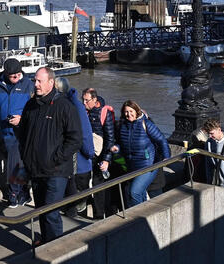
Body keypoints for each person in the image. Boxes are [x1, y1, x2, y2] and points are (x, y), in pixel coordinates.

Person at [16, 68, 81, 243]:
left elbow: (75, 139)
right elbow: (22, 134)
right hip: (35, 168)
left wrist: (56, 158)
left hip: (56, 170)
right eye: (34, 80)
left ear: (51, 82)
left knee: (51, 213)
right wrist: (26, 155)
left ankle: (54, 250)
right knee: (40, 210)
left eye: (39, 81)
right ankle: (46, 241)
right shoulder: (31, 105)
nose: (35, 84)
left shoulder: (64, 106)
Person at [0, 58, 34, 207]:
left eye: (18, 74)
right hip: (5, 132)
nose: (16, 78)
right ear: (5, 73)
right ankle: (23, 193)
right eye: (13, 76)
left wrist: (21, 119)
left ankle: (13, 193)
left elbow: (38, 108)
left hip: (23, 131)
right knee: (19, 163)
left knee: (14, 161)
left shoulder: (28, 85)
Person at [112, 100, 170, 207]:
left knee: (134, 192)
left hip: (148, 165)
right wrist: (117, 148)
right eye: (126, 112)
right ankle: (145, 212)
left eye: (131, 111)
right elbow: (123, 144)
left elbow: (161, 140)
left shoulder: (145, 123)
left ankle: (138, 216)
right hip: (132, 165)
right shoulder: (123, 126)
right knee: (141, 193)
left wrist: (166, 157)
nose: (128, 114)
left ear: (137, 111)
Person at [54, 77, 95, 217]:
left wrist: (89, 153)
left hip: (78, 165)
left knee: (77, 202)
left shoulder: (73, 106)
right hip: (70, 163)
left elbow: (84, 135)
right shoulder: (73, 105)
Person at [82, 87, 116, 219]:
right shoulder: (84, 111)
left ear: (95, 100)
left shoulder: (104, 112)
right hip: (86, 152)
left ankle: (98, 214)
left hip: (100, 154)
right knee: (82, 180)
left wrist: (106, 159)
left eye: (87, 100)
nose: (84, 103)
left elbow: (110, 138)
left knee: (98, 183)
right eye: (83, 100)